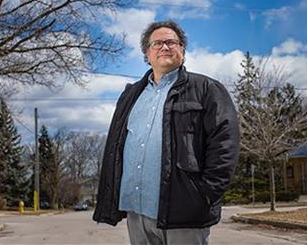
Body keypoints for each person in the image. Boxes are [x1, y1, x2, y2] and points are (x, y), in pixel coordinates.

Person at [93, 20, 240, 245]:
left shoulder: (207, 89)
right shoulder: (130, 96)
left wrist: (205, 194)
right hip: (137, 210)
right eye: (157, 43)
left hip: (184, 211)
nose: (165, 47)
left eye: (172, 42)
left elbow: (225, 145)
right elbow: (116, 147)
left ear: (182, 49)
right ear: (147, 53)